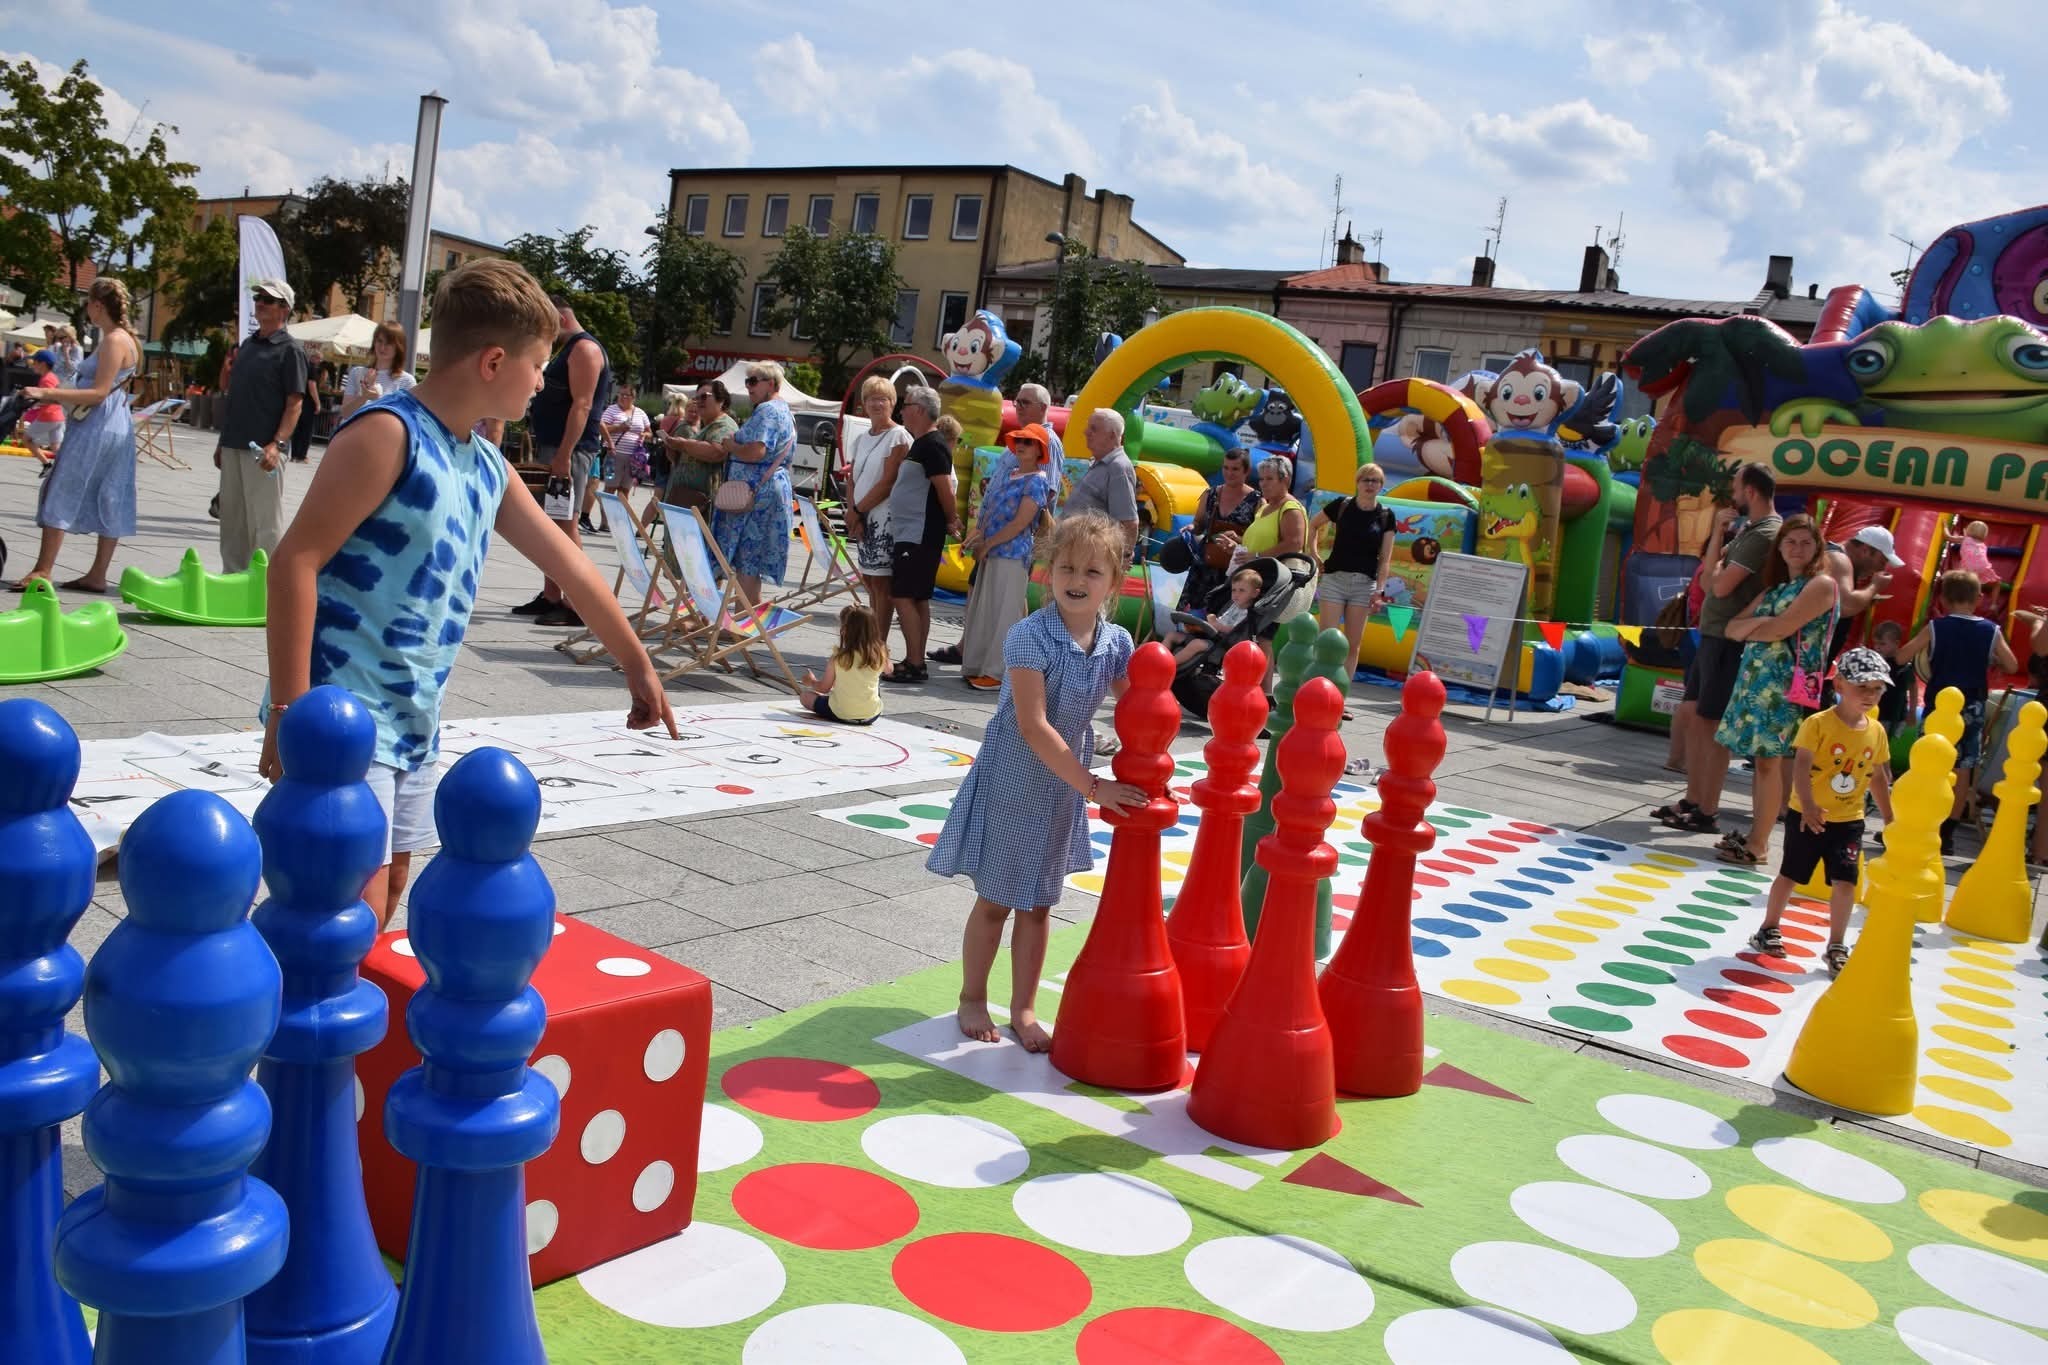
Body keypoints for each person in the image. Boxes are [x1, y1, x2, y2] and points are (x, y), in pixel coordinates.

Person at [259, 260, 678, 928]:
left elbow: (570, 565)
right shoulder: (385, 434)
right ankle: (287, 1029)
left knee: (389, 888)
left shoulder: (486, 465)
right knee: (339, 906)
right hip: (341, 715)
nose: (543, 381)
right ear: (492, 361)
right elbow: (293, 564)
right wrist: (290, 709)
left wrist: (637, 663)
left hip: (413, 720)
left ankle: (343, 1029)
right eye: (538, 365)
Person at [926, 513, 1147, 1051]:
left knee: (1040, 903)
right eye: (1065, 566)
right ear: (1046, 572)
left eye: (1092, 571)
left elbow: (1139, 706)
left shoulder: (1116, 641)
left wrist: (1150, 757)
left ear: (1113, 583)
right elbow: (1033, 725)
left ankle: (1023, 1008)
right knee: (997, 899)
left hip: (1060, 785)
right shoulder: (1030, 635)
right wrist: (1094, 787)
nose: (1077, 578)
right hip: (1016, 774)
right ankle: (972, 997)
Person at [1743, 647, 1895, 975]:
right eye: (1862, 687)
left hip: (1850, 820)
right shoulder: (1818, 723)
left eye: (1877, 688)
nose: (1870, 695)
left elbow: (1879, 777)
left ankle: (1836, 944)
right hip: (1808, 816)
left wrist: (1890, 818)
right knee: (1791, 874)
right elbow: (1800, 767)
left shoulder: (1877, 731)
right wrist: (1808, 804)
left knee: (1846, 881)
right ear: (1839, 686)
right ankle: (1769, 927)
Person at [1655, 464, 1782, 834]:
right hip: (1712, 635)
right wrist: (1716, 533)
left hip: (1730, 640)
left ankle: (1707, 808)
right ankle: (1694, 799)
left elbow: (1720, 587)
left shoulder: (1765, 533)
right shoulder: (1746, 530)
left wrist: (1718, 563)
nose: (1733, 494)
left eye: (1737, 487)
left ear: (1752, 492)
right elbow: (1708, 577)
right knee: (1695, 715)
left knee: (1712, 724)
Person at [1712, 515, 1840, 867]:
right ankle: (1757, 838)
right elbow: (1730, 629)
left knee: (1769, 763)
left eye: (1805, 542)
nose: (1797, 549)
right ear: (1780, 548)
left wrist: (1761, 627)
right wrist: (1764, 626)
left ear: (1817, 548)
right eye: (1790, 542)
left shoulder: (1821, 585)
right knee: (1762, 765)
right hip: (1756, 685)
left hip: (1784, 688)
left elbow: (1780, 629)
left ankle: (1759, 844)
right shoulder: (1776, 590)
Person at [13, 279, 140, 593]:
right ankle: (97, 574)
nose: (87, 310)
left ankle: (43, 569)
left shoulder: (113, 340)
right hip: (117, 424)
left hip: (97, 425)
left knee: (63, 485)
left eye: (89, 304)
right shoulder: (128, 339)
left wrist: (47, 391)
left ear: (98, 305)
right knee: (111, 493)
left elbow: (97, 393)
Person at [1898, 569, 2017, 854]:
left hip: (1939, 703)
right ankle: (1948, 832)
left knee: (1927, 761)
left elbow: (1902, 655)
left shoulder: (1936, 627)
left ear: (1943, 598)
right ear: (1978, 598)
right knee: (1963, 767)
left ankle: (1916, 821)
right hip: (1972, 705)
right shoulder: (1991, 630)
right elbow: (2012, 665)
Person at [514, 295, 612, 628]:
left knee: (566, 527)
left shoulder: (585, 350)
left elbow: (582, 405)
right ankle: (552, 594)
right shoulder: (571, 348)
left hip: (570, 452)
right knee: (553, 525)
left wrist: (564, 454)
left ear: (560, 318)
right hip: (559, 449)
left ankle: (574, 603)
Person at [858, 386, 959, 683]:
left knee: (902, 595)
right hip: (912, 532)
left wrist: (952, 519)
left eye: (906, 404)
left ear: (919, 409)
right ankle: (915, 659)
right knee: (916, 598)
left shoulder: (932, 444)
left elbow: (944, 487)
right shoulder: (922, 444)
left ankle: (915, 662)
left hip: (918, 533)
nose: (902, 410)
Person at [216, 278, 309, 573]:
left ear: (284, 309)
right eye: (259, 298)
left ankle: (266, 592)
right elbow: (234, 395)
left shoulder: (290, 350)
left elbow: (295, 403)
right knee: (232, 522)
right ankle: (232, 582)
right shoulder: (248, 345)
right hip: (234, 442)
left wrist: (278, 444)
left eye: (268, 300)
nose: (259, 303)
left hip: (264, 449)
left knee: (264, 525)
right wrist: (222, 442)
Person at [957, 423, 1057, 690]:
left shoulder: (1037, 480)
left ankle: (998, 673)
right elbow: (988, 510)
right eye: (1019, 440)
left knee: (1005, 614)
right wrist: (975, 536)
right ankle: (978, 665)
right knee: (985, 610)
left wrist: (987, 545)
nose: (1022, 445)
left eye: (1029, 442)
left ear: (1040, 450)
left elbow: (1021, 522)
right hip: (992, 551)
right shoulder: (1009, 474)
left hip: (1013, 555)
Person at [713, 361, 799, 604]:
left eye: (753, 381)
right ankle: (746, 619)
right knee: (750, 558)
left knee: (747, 556)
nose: (748, 387)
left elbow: (757, 451)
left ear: (770, 384)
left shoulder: (768, 411)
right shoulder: (783, 411)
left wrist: (731, 446)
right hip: (767, 489)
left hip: (756, 493)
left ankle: (744, 621)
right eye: (747, 381)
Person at [1309, 460, 1396, 670]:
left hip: (1364, 584)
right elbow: (1312, 525)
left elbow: (1385, 558)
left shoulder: (1386, 515)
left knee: (1352, 645)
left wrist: (1380, 590)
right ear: (1357, 483)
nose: (1370, 484)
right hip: (1335, 578)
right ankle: (1318, 684)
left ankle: (1341, 692)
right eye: (1366, 479)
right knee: (1327, 639)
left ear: (1381, 485)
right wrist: (1314, 555)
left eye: (1375, 481)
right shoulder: (1342, 505)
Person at [843, 374, 910, 648]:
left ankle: (878, 645)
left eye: (883, 398)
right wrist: (852, 511)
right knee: (869, 580)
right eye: (871, 398)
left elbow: (888, 481)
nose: (877, 403)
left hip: (884, 519)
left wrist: (857, 511)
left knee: (882, 584)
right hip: (861, 516)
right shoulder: (861, 438)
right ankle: (871, 640)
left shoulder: (898, 436)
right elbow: (853, 478)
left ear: (893, 403)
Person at [1175, 447, 1258, 612]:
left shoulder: (1256, 501)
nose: (1229, 473)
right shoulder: (1211, 494)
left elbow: (1257, 540)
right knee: (1189, 616)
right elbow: (1199, 524)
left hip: (1234, 572)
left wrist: (1239, 540)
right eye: (1225, 468)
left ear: (1246, 471)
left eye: (1235, 469)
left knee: (1221, 620)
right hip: (1204, 566)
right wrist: (1192, 528)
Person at [1062, 408, 1139, 559]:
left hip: (1090, 557)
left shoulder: (1118, 467)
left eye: (1094, 428)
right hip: (1075, 552)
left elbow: (1129, 522)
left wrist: (1124, 557)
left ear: (1112, 435)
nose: (1086, 432)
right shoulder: (1099, 463)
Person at [799, 605, 889, 725]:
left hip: (841, 713)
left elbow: (824, 688)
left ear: (845, 630)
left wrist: (812, 681)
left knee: (805, 697)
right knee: (871, 681)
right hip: (871, 714)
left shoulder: (838, 657)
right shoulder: (880, 652)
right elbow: (889, 670)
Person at [1165, 565, 1262, 668]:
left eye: (1241, 590)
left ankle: (1168, 665)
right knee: (1172, 635)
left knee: (1196, 644)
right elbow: (1221, 620)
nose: (1236, 594)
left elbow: (1237, 631)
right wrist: (1212, 619)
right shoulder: (1233, 605)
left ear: (1254, 593)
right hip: (1208, 634)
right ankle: (1158, 658)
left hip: (1219, 643)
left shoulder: (1248, 614)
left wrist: (1217, 625)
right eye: (1234, 590)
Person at [665, 380, 735, 512]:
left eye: (704, 396)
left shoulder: (725, 425)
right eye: (697, 398)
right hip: (686, 500)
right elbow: (680, 459)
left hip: (704, 505)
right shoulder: (706, 426)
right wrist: (672, 449)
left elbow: (716, 452)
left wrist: (683, 444)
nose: (699, 402)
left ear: (721, 400)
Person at [337, 323, 417, 423]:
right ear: (374, 342)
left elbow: (408, 420)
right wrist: (364, 397)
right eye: (379, 341)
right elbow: (345, 413)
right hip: (354, 435)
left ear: (398, 347)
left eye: (389, 343)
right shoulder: (357, 372)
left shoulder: (407, 381)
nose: (382, 347)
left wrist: (378, 399)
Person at [1236, 455, 1309, 562]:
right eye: (1261, 479)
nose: (1263, 484)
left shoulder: (1291, 509)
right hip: (1258, 572)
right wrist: (1237, 543)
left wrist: (1257, 557)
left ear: (1285, 480)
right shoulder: (1265, 507)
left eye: (1269, 479)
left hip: (1274, 575)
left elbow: (1294, 544)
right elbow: (1262, 542)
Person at [599, 381, 653, 516]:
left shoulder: (640, 413)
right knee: (610, 489)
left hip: (633, 459)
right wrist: (619, 427)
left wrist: (644, 435)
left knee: (625, 491)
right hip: (614, 455)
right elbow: (602, 428)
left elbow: (650, 433)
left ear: (633, 397)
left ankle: (619, 519)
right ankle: (605, 521)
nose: (623, 397)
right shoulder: (611, 410)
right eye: (621, 394)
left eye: (626, 395)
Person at [20, 348, 64, 465]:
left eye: (35, 362)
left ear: (42, 364)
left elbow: (51, 397)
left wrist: (35, 402)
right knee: (56, 447)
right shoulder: (52, 376)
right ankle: (65, 467)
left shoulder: (46, 379)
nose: (33, 365)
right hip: (58, 416)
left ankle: (46, 464)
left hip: (48, 416)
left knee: (26, 439)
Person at [291, 346, 324, 462]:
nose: (320, 361)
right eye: (319, 358)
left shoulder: (303, 367)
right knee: (307, 430)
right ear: (313, 357)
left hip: (299, 400)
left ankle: (294, 454)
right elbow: (312, 385)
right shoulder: (313, 369)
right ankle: (302, 455)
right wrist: (318, 403)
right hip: (309, 403)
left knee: (297, 429)